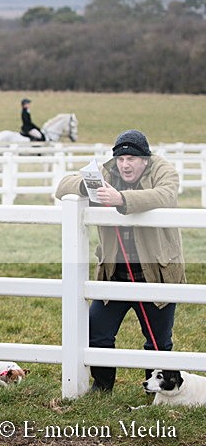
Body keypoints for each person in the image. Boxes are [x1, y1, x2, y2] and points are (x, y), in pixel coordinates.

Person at [55, 129, 185, 393]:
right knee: (96, 332)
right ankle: (102, 387)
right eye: (121, 159)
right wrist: (89, 187)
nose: (125, 165)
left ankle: (155, 390)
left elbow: (166, 195)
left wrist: (121, 199)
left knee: (158, 341)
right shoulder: (107, 171)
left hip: (156, 275)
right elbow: (62, 186)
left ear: (145, 160)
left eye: (132, 159)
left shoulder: (163, 170)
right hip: (114, 275)